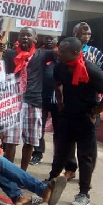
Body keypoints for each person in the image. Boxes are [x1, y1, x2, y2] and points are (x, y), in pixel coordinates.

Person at [48, 37, 103, 205]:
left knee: (85, 156)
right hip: (68, 115)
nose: (58, 52)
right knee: (61, 151)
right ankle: (51, 181)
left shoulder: (91, 70)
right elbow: (57, 84)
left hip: (86, 118)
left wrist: (95, 112)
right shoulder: (60, 66)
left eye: (63, 51)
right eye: (59, 49)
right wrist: (61, 103)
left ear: (76, 53)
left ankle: (84, 193)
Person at [2, 27, 54, 171]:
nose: (25, 37)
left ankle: (22, 174)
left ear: (35, 39)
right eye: (22, 35)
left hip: (33, 102)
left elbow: (62, 52)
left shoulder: (42, 54)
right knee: (10, 141)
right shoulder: (9, 54)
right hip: (13, 102)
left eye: (28, 35)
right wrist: (0, 52)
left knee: (30, 141)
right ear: (18, 38)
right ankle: (8, 174)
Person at [30, 35, 58, 165]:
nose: (49, 40)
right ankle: (37, 153)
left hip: (58, 98)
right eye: (47, 38)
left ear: (57, 40)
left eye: (52, 38)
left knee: (59, 129)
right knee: (38, 127)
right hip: (40, 96)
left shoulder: (61, 54)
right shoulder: (38, 54)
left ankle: (58, 157)